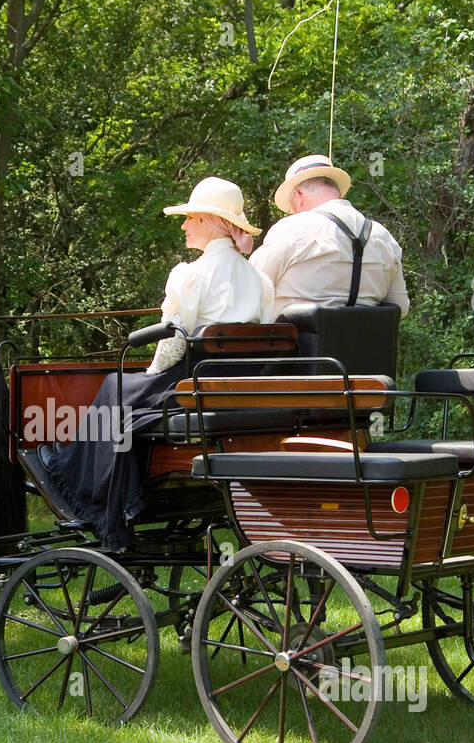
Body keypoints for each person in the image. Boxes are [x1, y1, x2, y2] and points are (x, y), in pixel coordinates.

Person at [37, 176, 274, 551]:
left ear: (211, 223)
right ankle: (107, 484)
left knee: (116, 387)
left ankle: (79, 482)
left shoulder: (190, 275)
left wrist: (150, 373)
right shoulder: (260, 280)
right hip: (238, 388)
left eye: (190, 218)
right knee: (124, 392)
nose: (183, 226)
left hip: (192, 384)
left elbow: (174, 343)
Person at [249, 154, 409, 318]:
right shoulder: (384, 236)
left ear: (298, 196)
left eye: (292, 206)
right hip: (369, 343)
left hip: (293, 342)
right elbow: (400, 308)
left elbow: (249, 288)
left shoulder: (292, 228)